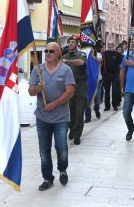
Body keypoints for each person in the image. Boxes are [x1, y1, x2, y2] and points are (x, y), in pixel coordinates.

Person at [28, 42, 75, 191]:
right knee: (44, 151)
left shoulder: (66, 70)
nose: (48, 53)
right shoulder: (38, 70)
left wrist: (53, 104)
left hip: (61, 117)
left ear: (58, 53)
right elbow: (30, 91)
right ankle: (48, 178)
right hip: (42, 117)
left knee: (61, 147)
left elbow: (70, 92)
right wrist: (38, 88)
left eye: (51, 51)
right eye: (46, 51)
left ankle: (62, 169)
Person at [62, 35, 87, 145]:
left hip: (80, 86)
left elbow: (81, 62)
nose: (71, 44)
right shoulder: (64, 55)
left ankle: (77, 134)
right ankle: (72, 129)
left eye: (73, 42)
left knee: (79, 111)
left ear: (77, 44)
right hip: (68, 87)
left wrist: (68, 62)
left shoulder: (81, 54)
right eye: (69, 42)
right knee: (70, 111)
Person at [101, 40, 123, 111]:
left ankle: (115, 105)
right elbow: (101, 64)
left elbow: (120, 63)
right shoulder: (104, 53)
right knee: (107, 91)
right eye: (109, 44)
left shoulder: (117, 54)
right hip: (106, 74)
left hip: (115, 75)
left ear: (114, 45)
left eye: (112, 44)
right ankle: (107, 106)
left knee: (115, 90)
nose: (110, 45)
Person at [84, 50, 103, 122]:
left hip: (97, 79)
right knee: (87, 97)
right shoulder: (83, 53)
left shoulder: (97, 54)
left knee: (97, 98)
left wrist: (91, 58)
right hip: (87, 79)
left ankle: (96, 109)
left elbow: (99, 61)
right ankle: (88, 117)